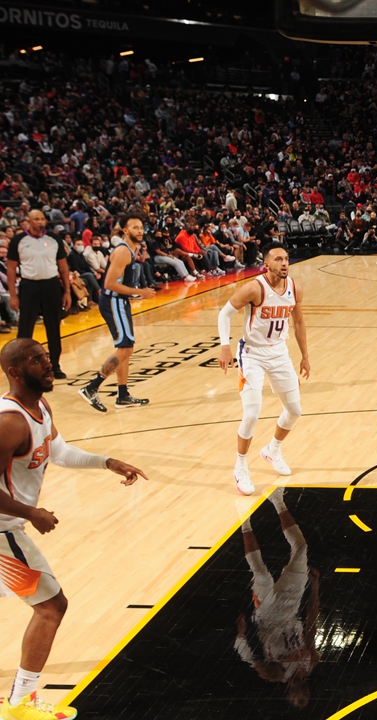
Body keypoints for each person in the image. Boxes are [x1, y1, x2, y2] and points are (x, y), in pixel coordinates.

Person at [0, 338, 147, 720]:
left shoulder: (40, 407)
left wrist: (108, 462)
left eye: (46, 357)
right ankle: (20, 705)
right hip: (3, 531)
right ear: (15, 372)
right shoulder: (9, 423)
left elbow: (60, 451)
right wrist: (31, 513)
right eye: (37, 361)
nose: (48, 364)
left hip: (10, 526)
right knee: (51, 607)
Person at [218, 244, 311, 496]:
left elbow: (299, 322)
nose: (284, 263)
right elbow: (224, 314)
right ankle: (240, 466)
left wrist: (305, 356)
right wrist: (224, 347)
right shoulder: (254, 288)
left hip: (279, 351)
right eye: (278, 259)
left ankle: (272, 449)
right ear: (266, 264)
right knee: (252, 413)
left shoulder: (294, 288)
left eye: (287, 259)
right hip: (252, 354)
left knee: (295, 410)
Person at [235, 489, 320, 709]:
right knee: (301, 548)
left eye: (299, 698)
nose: (303, 693)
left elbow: (251, 659)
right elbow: (311, 623)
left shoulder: (275, 674)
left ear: (289, 695)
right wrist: (315, 588)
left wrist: (242, 635)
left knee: (261, 573)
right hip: (291, 607)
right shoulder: (311, 662)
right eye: (306, 696)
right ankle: (277, 500)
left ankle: (244, 520)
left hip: (268, 616)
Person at [78, 215, 156, 412]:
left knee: (126, 349)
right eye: (135, 228)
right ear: (124, 230)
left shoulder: (130, 249)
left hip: (119, 301)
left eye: (141, 227)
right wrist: (141, 291)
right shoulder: (123, 251)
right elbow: (109, 284)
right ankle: (91, 387)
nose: (140, 231)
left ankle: (122, 395)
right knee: (125, 349)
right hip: (114, 301)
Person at [6, 211, 70, 379]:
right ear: (28, 221)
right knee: (25, 328)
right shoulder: (18, 240)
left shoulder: (54, 239)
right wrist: (13, 295)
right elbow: (11, 269)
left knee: (53, 326)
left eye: (42, 218)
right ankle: (21, 369)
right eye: (36, 219)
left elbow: (63, 267)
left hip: (51, 285)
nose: (40, 221)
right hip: (29, 285)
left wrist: (67, 291)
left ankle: (54, 365)